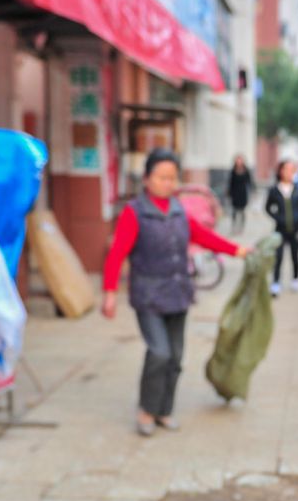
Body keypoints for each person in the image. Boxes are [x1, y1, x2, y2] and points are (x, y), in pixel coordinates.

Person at [102, 149, 249, 437]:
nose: (168, 183)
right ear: (147, 179)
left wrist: (236, 250)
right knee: (159, 352)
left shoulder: (180, 210)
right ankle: (146, 408)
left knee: (176, 357)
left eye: (172, 178)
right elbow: (117, 253)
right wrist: (109, 292)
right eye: (161, 177)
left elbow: (202, 236)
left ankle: (164, 410)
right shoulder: (135, 212)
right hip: (147, 294)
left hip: (177, 292)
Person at [265, 159, 298, 297]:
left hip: (295, 229)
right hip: (280, 229)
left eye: (292, 169)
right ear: (280, 171)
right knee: (277, 257)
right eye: (286, 169)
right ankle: (276, 283)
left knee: (295, 255)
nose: (289, 172)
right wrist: (278, 217)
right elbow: (268, 207)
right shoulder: (275, 190)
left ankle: (295, 279)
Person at [227, 155, 253, 234]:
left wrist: (251, 192)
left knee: (242, 211)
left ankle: (241, 227)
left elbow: (249, 182)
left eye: (240, 160)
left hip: (243, 193)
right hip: (235, 193)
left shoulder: (246, 171)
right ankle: (234, 226)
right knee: (234, 211)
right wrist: (229, 193)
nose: (239, 162)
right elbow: (230, 183)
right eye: (237, 160)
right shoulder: (233, 171)